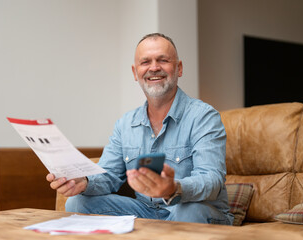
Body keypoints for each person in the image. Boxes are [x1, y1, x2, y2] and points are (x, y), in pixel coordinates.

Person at [46, 33, 234, 225]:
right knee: (77, 203)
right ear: (135, 73)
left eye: (163, 60)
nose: (154, 67)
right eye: (145, 62)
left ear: (179, 68)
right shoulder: (125, 124)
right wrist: (84, 181)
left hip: (193, 209)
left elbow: (211, 180)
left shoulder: (204, 117)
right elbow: (109, 176)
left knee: (189, 212)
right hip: (146, 211)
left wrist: (173, 188)